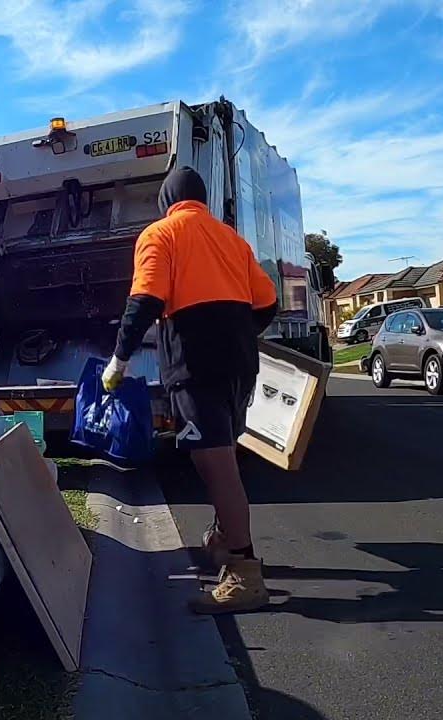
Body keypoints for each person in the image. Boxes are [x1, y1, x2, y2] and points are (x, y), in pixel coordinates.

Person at [102, 167, 278, 613]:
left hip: (195, 365)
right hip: (240, 364)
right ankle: (223, 540)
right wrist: (237, 331)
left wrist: (119, 360)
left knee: (215, 464)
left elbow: (145, 300)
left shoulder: (160, 234)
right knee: (225, 454)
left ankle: (243, 573)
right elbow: (268, 302)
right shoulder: (231, 239)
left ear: (166, 200)